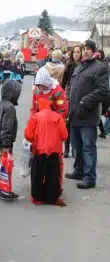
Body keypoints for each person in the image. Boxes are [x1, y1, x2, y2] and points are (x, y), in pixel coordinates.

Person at [66, 40, 110, 189]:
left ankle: (89, 178)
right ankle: (78, 171)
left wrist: (85, 101)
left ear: (94, 51)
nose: (85, 51)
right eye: (84, 49)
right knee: (76, 146)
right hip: (74, 115)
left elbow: (103, 90)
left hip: (88, 116)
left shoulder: (100, 68)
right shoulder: (78, 68)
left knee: (88, 147)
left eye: (88, 49)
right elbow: (72, 88)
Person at [24, 98, 68, 206]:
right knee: (53, 175)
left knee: (37, 175)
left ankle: (38, 198)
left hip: (39, 150)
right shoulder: (58, 117)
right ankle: (52, 198)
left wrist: (34, 140)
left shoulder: (35, 117)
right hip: (54, 151)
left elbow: (28, 135)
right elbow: (64, 135)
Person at [0, 80, 22, 199]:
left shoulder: (1, 104)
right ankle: (6, 190)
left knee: (3, 163)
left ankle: (1, 187)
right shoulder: (9, 107)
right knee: (7, 165)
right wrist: (6, 145)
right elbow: (7, 127)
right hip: (5, 141)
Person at [61, 45, 82, 158]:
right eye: (74, 52)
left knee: (76, 123)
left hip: (81, 96)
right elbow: (63, 83)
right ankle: (67, 147)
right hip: (69, 95)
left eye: (78, 52)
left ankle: (75, 148)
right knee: (68, 123)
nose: (76, 54)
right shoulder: (69, 65)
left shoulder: (84, 65)